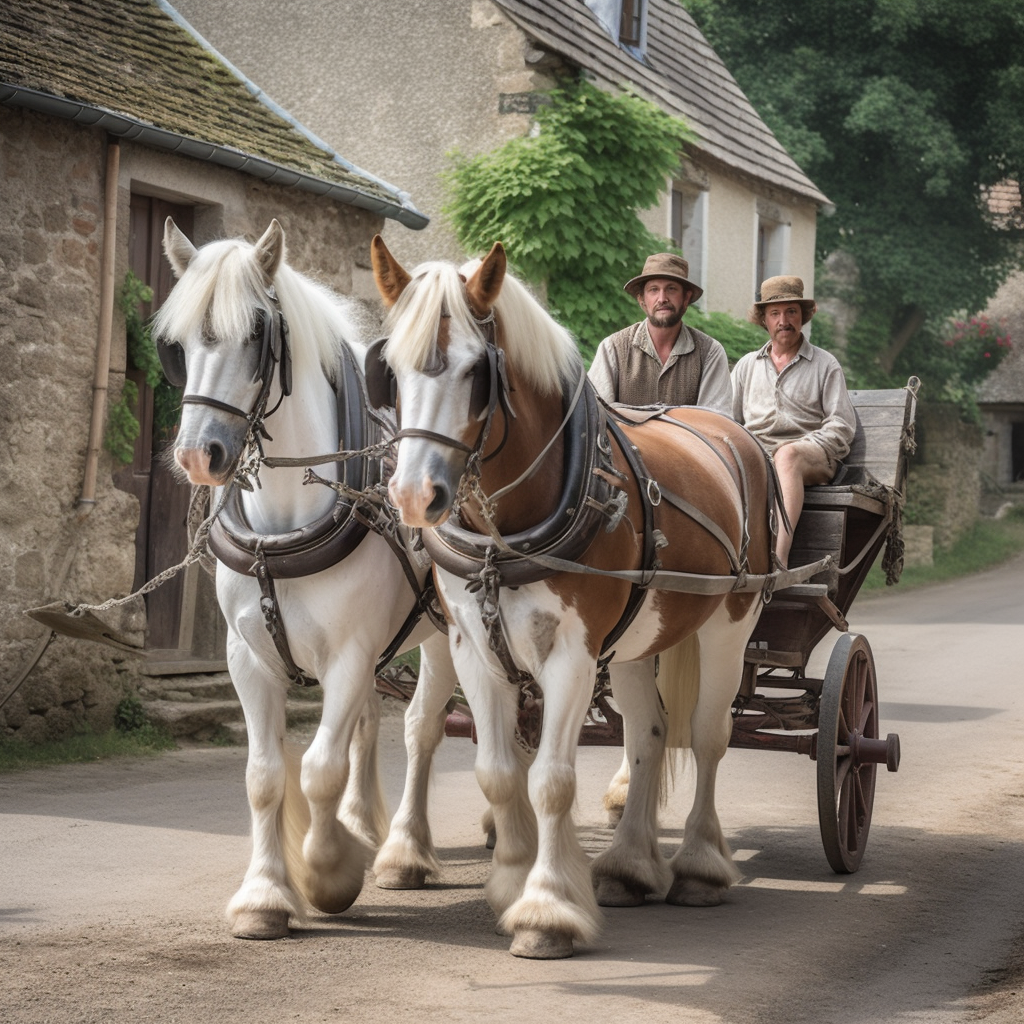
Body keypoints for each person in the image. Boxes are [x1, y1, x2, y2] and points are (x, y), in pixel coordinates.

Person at [731, 276, 856, 568]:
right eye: (775, 313)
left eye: (791, 312)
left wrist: (802, 447)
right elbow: (729, 421)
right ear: (764, 319)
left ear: (803, 316)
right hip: (757, 456)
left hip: (811, 457)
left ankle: (779, 559)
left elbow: (842, 425)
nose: (783, 320)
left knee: (786, 456)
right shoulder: (747, 366)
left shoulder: (825, 364)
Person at [588, 252, 733, 415]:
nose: (662, 298)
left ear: (686, 298)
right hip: (625, 442)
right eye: (653, 290)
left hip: (687, 442)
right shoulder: (613, 348)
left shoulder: (710, 352)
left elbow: (715, 424)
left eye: (671, 289)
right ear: (642, 300)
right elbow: (594, 416)